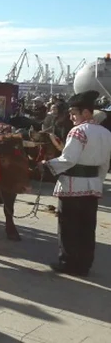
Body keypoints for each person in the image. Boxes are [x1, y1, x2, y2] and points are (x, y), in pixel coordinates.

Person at [40, 90, 111, 277]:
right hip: (92, 187)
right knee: (87, 227)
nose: (71, 117)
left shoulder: (78, 131)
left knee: (68, 226)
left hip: (72, 186)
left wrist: (47, 165)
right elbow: (105, 164)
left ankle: (68, 263)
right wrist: (98, 181)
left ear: (86, 113)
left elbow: (69, 159)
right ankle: (85, 264)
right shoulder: (105, 132)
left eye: (74, 113)